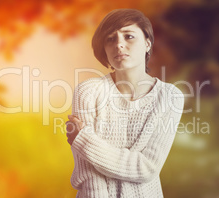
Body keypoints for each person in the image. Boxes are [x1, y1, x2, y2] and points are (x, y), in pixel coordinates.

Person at [66, 9, 184, 198]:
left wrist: (84, 140)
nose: (119, 44)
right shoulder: (88, 92)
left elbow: (146, 168)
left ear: (147, 43)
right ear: (103, 48)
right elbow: (90, 176)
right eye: (110, 39)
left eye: (129, 36)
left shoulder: (170, 97)